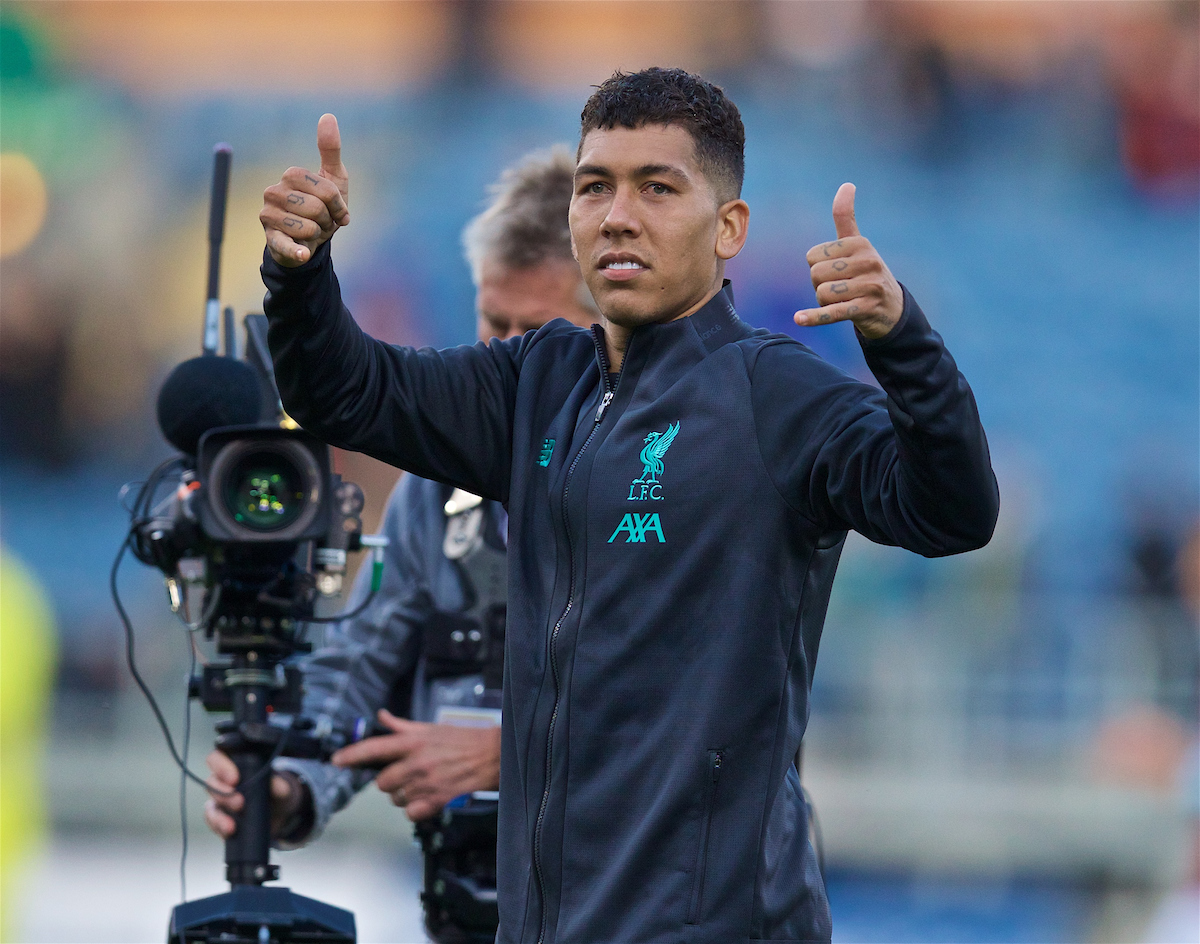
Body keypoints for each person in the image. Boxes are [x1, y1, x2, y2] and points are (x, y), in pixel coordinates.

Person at [256, 68, 999, 943]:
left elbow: (955, 512)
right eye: (595, 186)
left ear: (729, 228)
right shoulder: (537, 379)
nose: (618, 215)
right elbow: (352, 393)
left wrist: (902, 340)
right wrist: (300, 273)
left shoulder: (777, 398)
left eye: (657, 187)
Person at [203, 148, 598, 941]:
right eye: (496, 325)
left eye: (542, 333)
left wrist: (503, 761)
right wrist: (288, 786)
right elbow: (355, 669)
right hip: (467, 910)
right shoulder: (432, 495)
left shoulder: (665, 486)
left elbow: (706, 724)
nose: (510, 355)